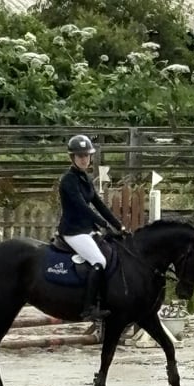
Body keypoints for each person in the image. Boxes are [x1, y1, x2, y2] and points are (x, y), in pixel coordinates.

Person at [57, 134, 125, 321]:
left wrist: (119, 225)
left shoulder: (84, 178)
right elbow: (82, 207)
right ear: (72, 158)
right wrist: (104, 225)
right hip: (73, 231)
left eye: (86, 156)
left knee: (111, 255)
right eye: (80, 156)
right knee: (99, 261)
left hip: (86, 229)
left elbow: (100, 204)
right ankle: (89, 308)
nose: (84, 159)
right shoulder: (68, 180)